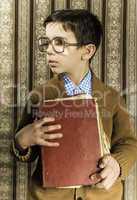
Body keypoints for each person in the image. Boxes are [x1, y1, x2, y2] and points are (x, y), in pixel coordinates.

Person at [12, 9, 137, 200]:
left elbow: (128, 143)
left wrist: (116, 165)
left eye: (60, 42)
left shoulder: (112, 97)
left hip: (102, 195)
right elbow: (26, 153)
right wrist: (22, 140)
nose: (50, 50)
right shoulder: (39, 96)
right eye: (47, 42)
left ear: (87, 51)